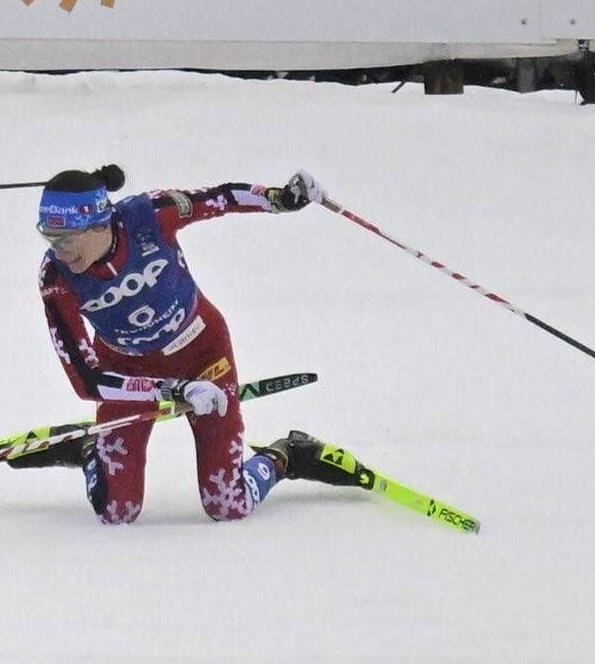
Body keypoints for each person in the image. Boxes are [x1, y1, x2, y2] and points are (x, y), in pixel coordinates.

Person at [26, 164, 361, 524]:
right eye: (50, 239)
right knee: (116, 512)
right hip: (127, 372)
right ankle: (90, 449)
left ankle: (290, 455)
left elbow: (221, 197)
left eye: (68, 239)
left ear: (99, 222)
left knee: (228, 505)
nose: (60, 251)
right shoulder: (56, 278)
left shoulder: (149, 217)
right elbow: (87, 381)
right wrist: (172, 391)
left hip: (202, 353)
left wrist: (280, 199)